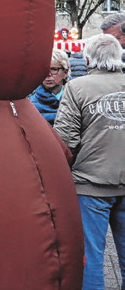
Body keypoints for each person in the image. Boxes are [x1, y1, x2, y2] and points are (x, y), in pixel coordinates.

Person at [54, 33, 125, 290]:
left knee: (92, 258)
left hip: (91, 183)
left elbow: (65, 139)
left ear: (88, 58)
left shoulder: (78, 87)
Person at [29, 49, 70, 125]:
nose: (48, 75)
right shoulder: (31, 104)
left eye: (54, 69)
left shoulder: (75, 97)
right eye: (44, 70)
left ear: (65, 72)